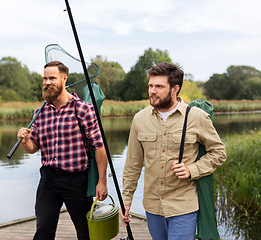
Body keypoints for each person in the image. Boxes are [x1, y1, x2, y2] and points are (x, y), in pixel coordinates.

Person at [120, 62, 226, 240]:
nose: (152, 91)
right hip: (153, 207)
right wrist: (127, 199)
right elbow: (133, 164)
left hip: (183, 206)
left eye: (159, 86)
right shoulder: (140, 119)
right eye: (151, 86)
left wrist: (192, 170)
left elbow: (219, 152)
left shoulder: (196, 117)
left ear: (175, 88)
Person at [17, 61, 108, 240]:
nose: (47, 82)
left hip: (76, 181)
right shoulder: (40, 112)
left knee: (85, 232)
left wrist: (102, 181)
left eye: (52, 78)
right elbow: (33, 148)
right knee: (43, 230)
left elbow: (99, 147)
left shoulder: (82, 109)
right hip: (48, 180)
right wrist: (25, 141)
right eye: (44, 79)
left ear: (64, 79)